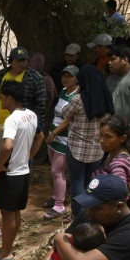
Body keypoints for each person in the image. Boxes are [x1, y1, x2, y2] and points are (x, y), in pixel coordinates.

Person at [0, 81, 40, 260]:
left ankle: (5, 253)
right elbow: (40, 137)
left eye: (2, 95)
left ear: (10, 97)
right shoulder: (31, 115)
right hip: (24, 172)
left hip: (10, 173)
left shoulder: (11, 119)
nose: (0, 99)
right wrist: (29, 157)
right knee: (15, 212)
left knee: (7, 213)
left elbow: (7, 145)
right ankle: (8, 247)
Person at [64, 66, 113, 216]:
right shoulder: (106, 99)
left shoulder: (79, 100)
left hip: (76, 149)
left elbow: (65, 112)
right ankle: (90, 213)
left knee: (77, 182)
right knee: (90, 181)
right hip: (97, 150)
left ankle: (78, 216)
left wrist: (78, 92)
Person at [0, 46, 47, 164]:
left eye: (24, 60)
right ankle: (3, 178)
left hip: (23, 127)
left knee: (22, 161)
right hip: (2, 125)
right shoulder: (1, 75)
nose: (22, 63)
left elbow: (41, 106)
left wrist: (35, 127)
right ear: (11, 61)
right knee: (3, 159)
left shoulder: (35, 78)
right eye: (19, 60)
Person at [41, 65, 79, 219]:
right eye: (64, 75)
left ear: (77, 79)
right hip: (53, 136)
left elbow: (69, 120)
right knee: (56, 170)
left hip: (64, 139)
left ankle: (59, 206)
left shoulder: (77, 96)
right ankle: (57, 195)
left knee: (57, 171)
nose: (66, 78)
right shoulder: (64, 91)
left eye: (69, 76)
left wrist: (55, 133)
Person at [92, 115, 130, 194]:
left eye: (108, 137)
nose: (102, 140)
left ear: (122, 138)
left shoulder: (119, 163)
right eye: (101, 135)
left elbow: (119, 186)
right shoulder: (113, 153)